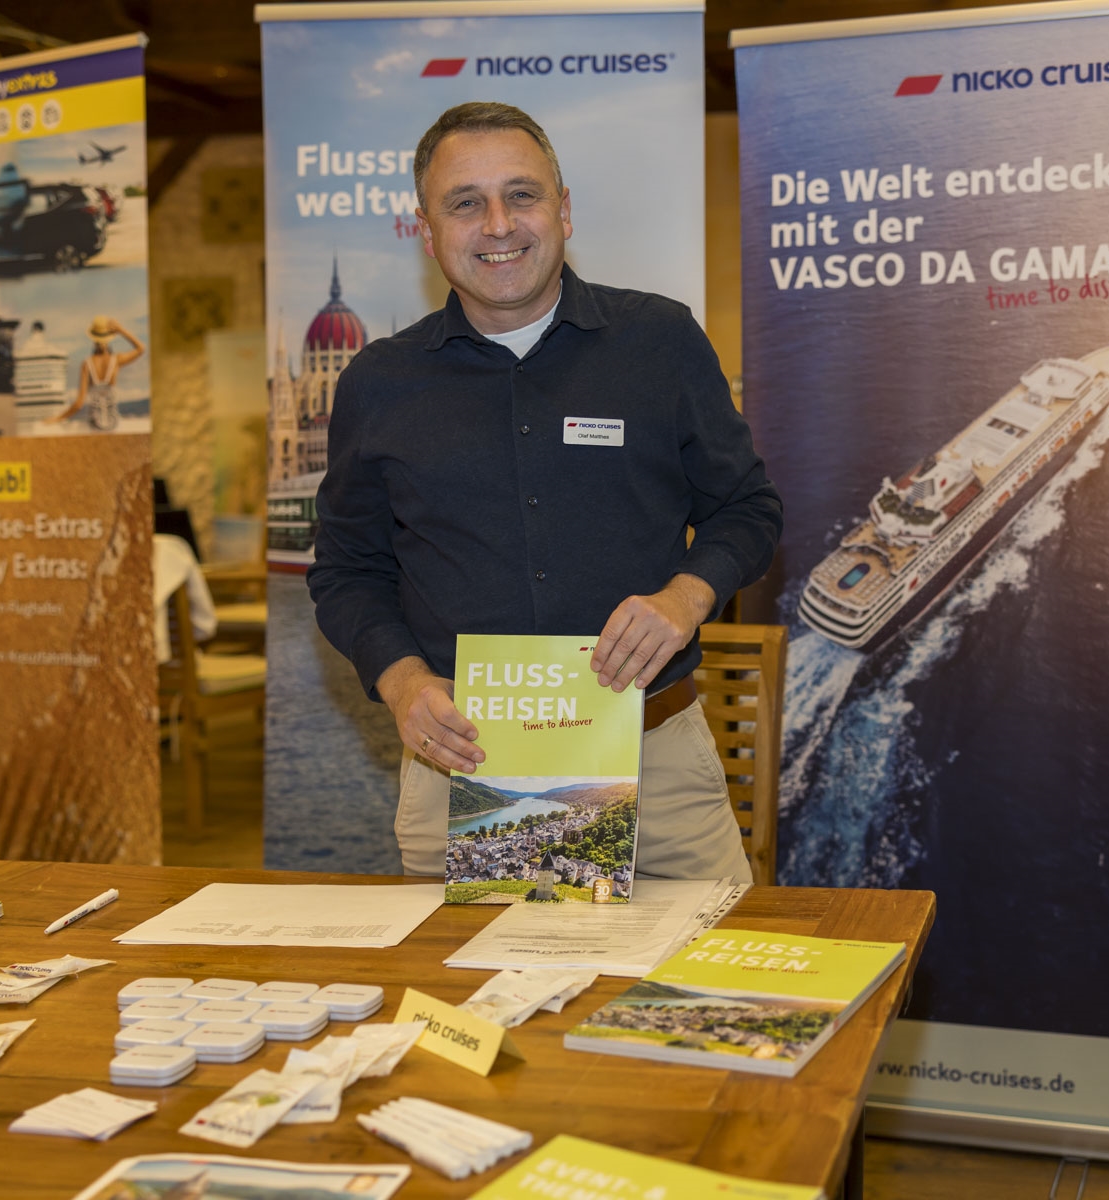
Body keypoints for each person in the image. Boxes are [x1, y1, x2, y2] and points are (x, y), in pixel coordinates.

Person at [308, 102, 784, 884]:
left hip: (658, 770)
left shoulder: (660, 342)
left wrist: (685, 597)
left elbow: (748, 509)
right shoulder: (379, 383)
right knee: (469, 974)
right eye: (465, 202)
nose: (498, 224)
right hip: (465, 774)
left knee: (705, 966)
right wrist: (402, 682)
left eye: (521, 195)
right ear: (428, 231)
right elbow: (346, 570)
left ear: (563, 210)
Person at [55, 316, 143, 427]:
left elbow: (78, 404)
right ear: (109, 338)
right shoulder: (116, 360)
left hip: (94, 423)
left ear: (93, 339)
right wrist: (121, 330)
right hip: (113, 423)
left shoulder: (87, 364)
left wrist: (56, 419)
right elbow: (140, 348)